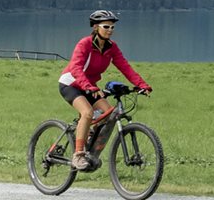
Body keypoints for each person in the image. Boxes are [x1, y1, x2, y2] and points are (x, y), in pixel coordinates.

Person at [57, 9, 151, 170]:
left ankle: (89, 137)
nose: (110, 30)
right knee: (87, 112)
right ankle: (78, 155)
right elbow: (75, 68)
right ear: (95, 27)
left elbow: (125, 67)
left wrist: (142, 85)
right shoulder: (85, 44)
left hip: (90, 86)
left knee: (109, 115)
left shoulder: (111, 47)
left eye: (112, 27)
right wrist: (89, 86)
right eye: (106, 27)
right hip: (71, 84)